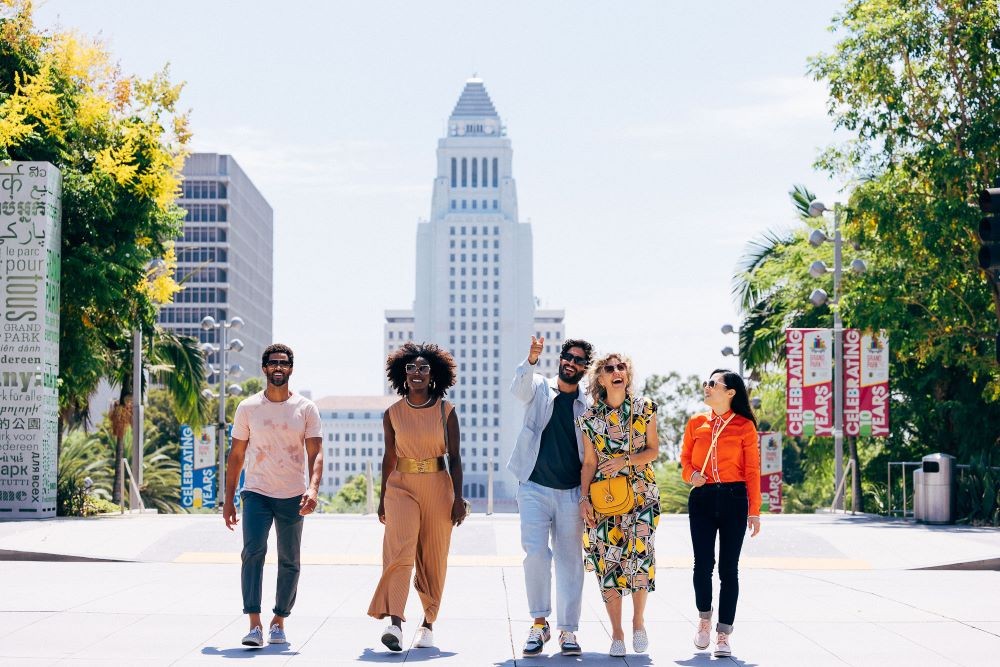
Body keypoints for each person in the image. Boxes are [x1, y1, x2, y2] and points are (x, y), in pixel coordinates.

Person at [223, 343, 323, 648]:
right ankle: (254, 624)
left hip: (293, 494)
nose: (278, 367)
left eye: (283, 363)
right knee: (252, 553)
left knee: (289, 559)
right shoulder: (248, 407)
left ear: (291, 369)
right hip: (256, 492)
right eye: (272, 363)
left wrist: (313, 488)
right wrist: (228, 499)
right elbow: (236, 455)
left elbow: (315, 453)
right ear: (264, 368)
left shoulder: (306, 408)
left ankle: (279, 621)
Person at [368, 342, 466, 652]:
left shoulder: (445, 411)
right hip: (401, 487)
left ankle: (428, 624)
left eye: (423, 368)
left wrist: (458, 498)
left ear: (433, 374)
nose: (417, 373)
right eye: (411, 368)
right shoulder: (392, 413)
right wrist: (383, 497)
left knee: (433, 557)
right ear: (403, 375)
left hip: (438, 486)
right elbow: (388, 457)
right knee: (400, 552)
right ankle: (395, 623)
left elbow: (456, 457)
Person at [509, 336, 593, 657]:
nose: (571, 362)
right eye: (567, 357)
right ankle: (539, 623)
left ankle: (567, 631)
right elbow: (519, 389)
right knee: (536, 555)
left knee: (571, 561)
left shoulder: (587, 405)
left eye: (579, 360)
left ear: (585, 368)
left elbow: (592, 455)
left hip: (572, 493)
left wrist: (587, 497)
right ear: (560, 359)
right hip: (533, 486)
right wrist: (530, 360)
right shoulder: (541, 388)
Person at [578, 352, 660, 657]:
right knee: (609, 564)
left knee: (639, 560)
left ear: (627, 375)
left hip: (641, 496)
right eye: (609, 368)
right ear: (600, 378)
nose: (616, 371)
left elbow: (652, 451)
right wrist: (583, 499)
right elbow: (588, 462)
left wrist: (625, 460)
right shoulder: (589, 419)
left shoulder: (645, 409)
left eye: (621, 367)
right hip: (605, 500)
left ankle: (638, 622)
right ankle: (617, 632)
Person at [680, 368, 762, 659]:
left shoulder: (744, 427)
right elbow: (685, 461)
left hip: (734, 498)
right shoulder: (696, 423)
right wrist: (692, 476)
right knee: (702, 564)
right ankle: (704, 619)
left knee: (729, 569)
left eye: (713, 384)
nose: (706, 387)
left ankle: (723, 634)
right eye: (706, 382)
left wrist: (755, 510)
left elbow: (752, 470)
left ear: (730, 393)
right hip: (701, 498)